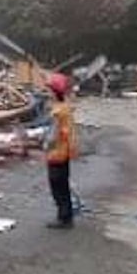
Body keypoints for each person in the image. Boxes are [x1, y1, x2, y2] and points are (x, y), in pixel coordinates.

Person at [44, 72, 79, 229]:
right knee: (63, 185)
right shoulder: (65, 108)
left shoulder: (58, 112)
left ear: (54, 92)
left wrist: (43, 143)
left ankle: (64, 218)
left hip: (56, 154)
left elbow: (52, 136)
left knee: (57, 186)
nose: (47, 93)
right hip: (65, 153)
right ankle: (67, 216)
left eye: (49, 90)